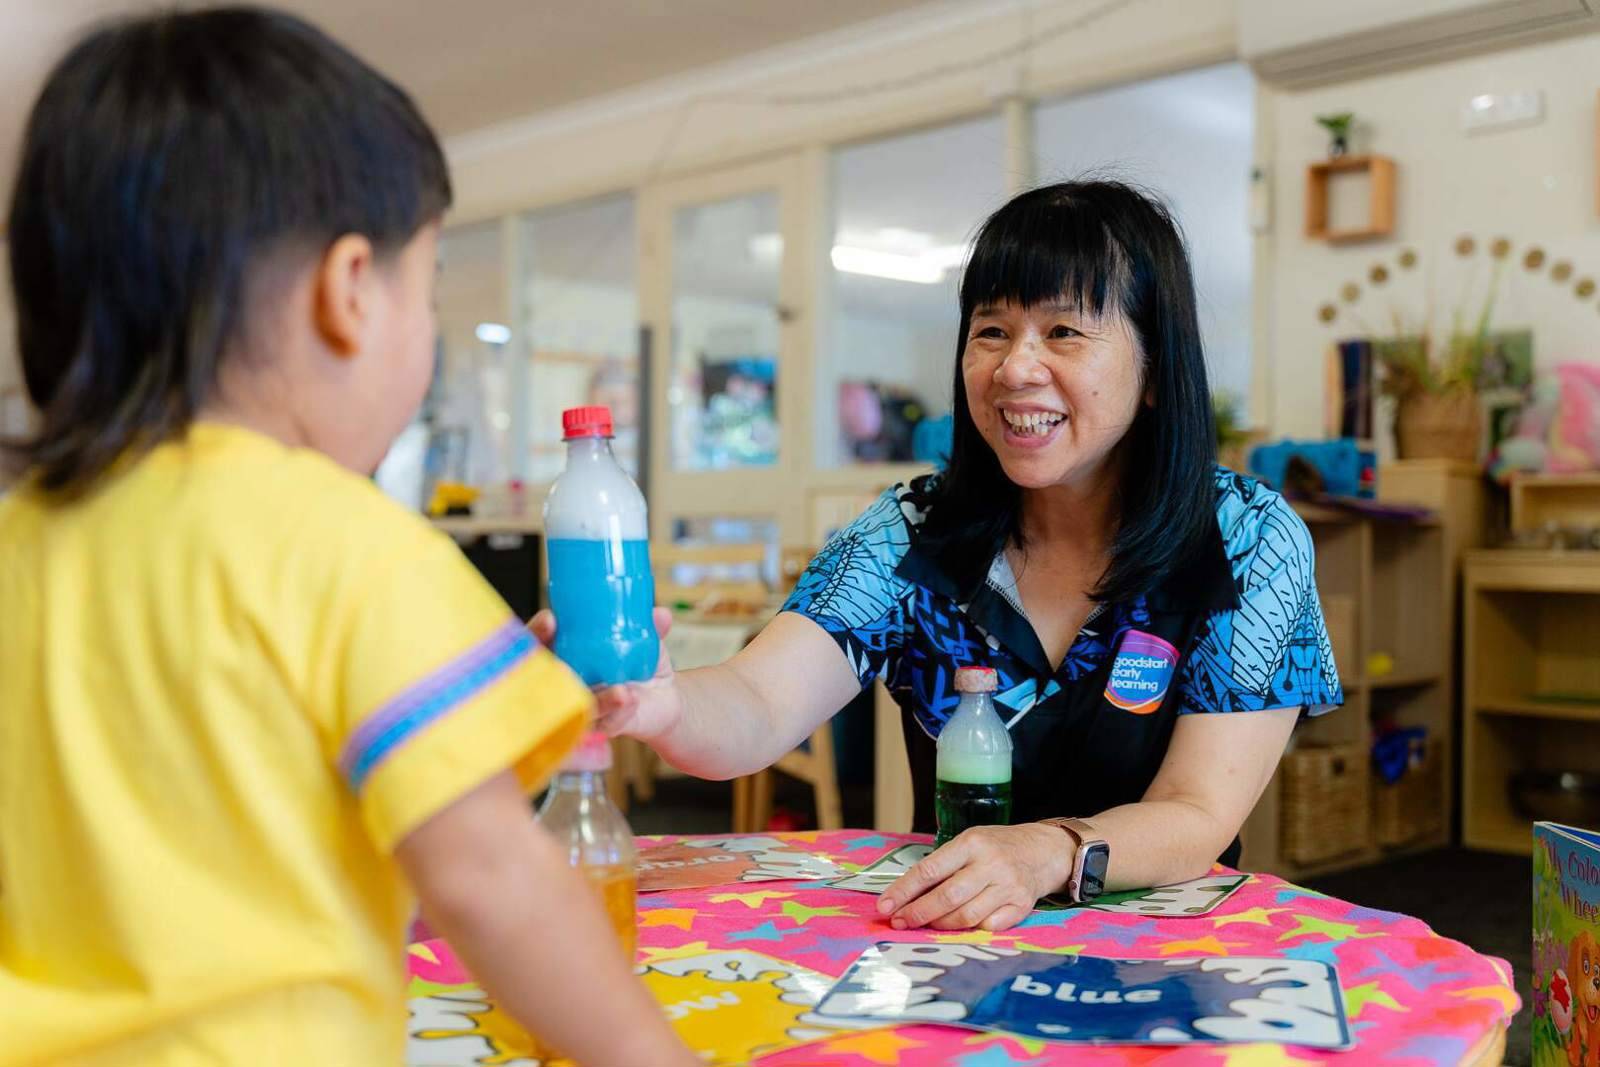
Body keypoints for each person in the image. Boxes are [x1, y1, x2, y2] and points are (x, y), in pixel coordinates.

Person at [0, 9, 695, 1065]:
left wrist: (481, 687)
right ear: (350, 292)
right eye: (430, 287)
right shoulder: (348, 546)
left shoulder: (22, 538)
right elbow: (491, 877)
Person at [536, 181, 1342, 934]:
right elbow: (757, 701)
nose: (1014, 367)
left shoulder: (1246, 538)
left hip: (1166, 944)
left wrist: (1045, 851)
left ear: (1157, 368)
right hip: (954, 936)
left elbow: (1197, 810)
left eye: (1063, 331)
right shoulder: (911, 531)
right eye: (991, 331)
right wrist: (664, 701)